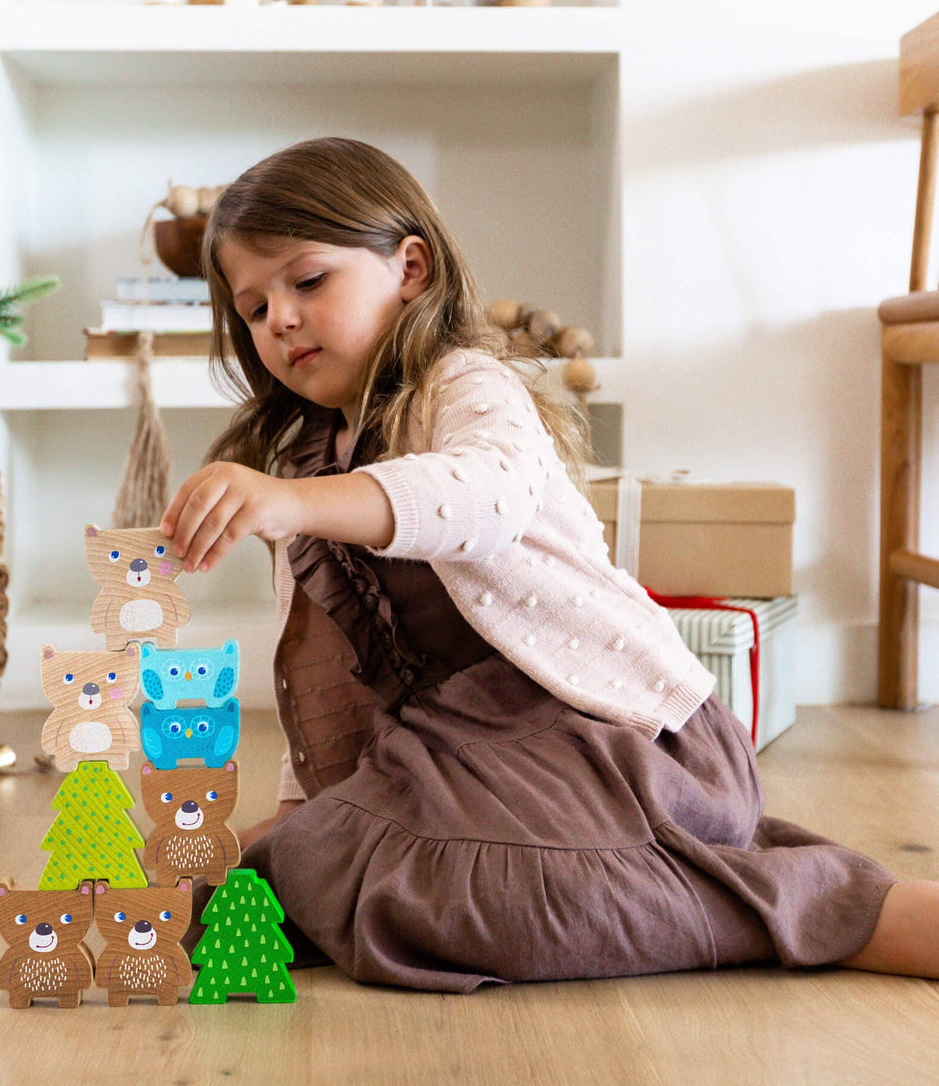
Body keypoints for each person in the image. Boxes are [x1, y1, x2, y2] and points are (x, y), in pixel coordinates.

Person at [159, 136, 937, 991]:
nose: (281, 320)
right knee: (313, 864)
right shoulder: (306, 459)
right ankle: (677, 877)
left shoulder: (462, 385)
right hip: (458, 755)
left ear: (411, 268)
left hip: (610, 737)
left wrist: (294, 503)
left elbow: (486, 498)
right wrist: (306, 816)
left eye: (307, 282)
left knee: (489, 900)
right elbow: (319, 664)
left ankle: (835, 912)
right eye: (253, 307)